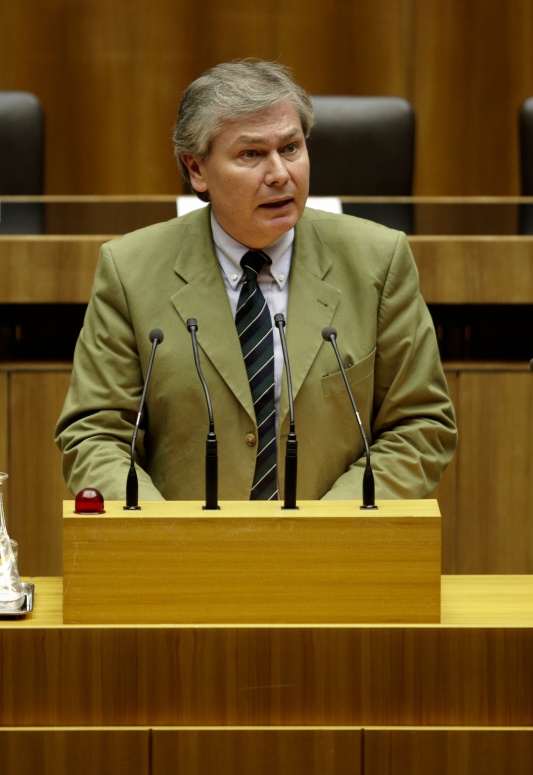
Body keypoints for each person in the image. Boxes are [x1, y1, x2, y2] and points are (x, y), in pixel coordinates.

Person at [55, 59, 457, 502]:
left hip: (333, 556)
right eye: (251, 154)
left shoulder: (378, 262)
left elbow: (419, 423)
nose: (280, 174)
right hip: (184, 561)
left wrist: (330, 528)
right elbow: (96, 435)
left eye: (291, 148)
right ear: (196, 169)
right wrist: (169, 534)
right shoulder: (129, 270)